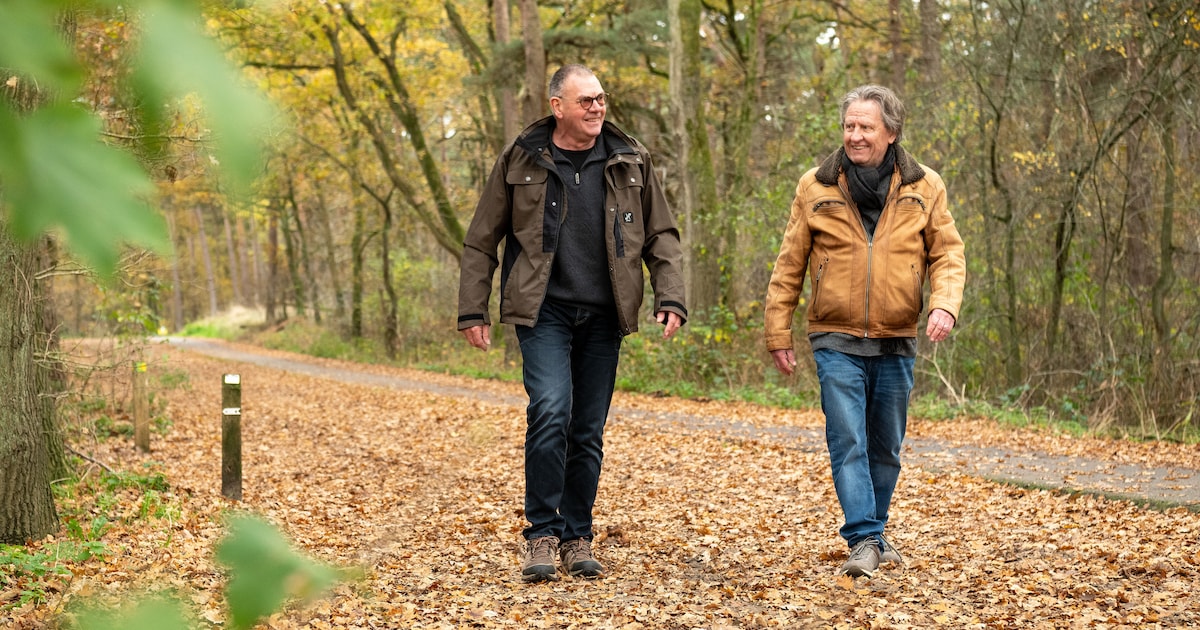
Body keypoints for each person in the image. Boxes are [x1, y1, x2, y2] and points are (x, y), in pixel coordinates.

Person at [457, 64, 687, 582]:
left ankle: (576, 534)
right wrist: (473, 309)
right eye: (585, 100)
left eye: (601, 99)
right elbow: (481, 239)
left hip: (605, 313)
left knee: (586, 427)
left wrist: (670, 295)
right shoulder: (522, 159)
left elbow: (662, 235)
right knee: (551, 409)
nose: (597, 108)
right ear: (557, 105)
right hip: (543, 311)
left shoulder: (630, 161)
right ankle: (541, 533)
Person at [763, 85, 966, 578]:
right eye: (849, 126)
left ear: (891, 133)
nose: (854, 135)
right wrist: (778, 332)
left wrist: (944, 305)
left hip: (898, 336)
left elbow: (948, 254)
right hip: (834, 336)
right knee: (848, 437)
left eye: (866, 127)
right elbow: (789, 264)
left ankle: (873, 534)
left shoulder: (926, 186)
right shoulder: (816, 185)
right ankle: (864, 537)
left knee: (885, 447)